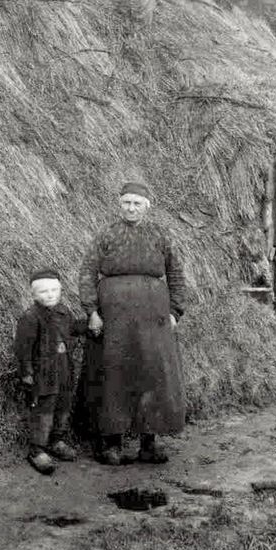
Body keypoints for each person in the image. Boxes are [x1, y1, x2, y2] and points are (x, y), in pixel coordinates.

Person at [79, 181, 187, 465]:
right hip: (113, 320)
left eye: (137, 203)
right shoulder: (107, 235)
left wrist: (175, 312)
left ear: (147, 207)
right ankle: (111, 443)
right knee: (113, 374)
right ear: (119, 203)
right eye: (126, 202)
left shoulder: (160, 236)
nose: (131, 208)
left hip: (153, 319)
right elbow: (87, 272)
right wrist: (91, 311)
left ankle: (148, 444)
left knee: (151, 376)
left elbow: (176, 274)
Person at [14, 268, 87, 475]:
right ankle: (37, 449)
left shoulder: (63, 312)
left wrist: (89, 326)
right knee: (44, 410)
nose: (50, 295)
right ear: (34, 294)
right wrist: (27, 373)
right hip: (43, 373)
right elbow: (23, 348)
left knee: (63, 405)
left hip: (64, 368)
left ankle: (58, 440)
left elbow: (73, 328)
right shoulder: (30, 317)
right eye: (44, 291)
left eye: (54, 290)